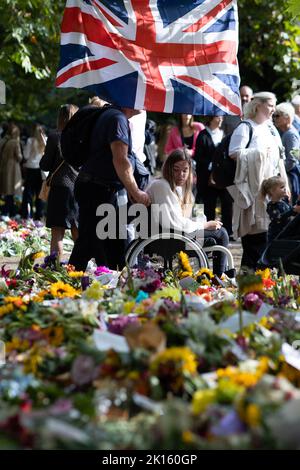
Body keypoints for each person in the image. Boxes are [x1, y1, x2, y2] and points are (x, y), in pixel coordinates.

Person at [69, 106, 150, 271]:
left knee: (111, 245)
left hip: (102, 188)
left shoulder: (114, 116)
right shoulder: (117, 119)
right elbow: (120, 160)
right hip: (97, 190)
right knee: (88, 242)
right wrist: (136, 192)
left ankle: (113, 283)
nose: (144, 102)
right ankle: (66, 285)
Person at [227, 91, 289, 270]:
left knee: (269, 237)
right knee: (254, 240)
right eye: (270, 105)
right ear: (258, 105)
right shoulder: (245, 127)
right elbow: (233, 152)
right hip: (253, 193)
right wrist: (259, 154)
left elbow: (280, 158)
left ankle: (262, 283)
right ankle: (248, 284)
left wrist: (285, 185)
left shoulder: (271, 128)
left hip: (272, 192)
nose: (273, 110)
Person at [146, 149, 229, 277]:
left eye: (185, 170)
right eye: (176, 169)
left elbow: (197, 215)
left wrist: (204, 222)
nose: (181, 174)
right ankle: (218, 277)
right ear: (168, 169)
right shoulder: (161, 186)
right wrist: (205, 226)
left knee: (217, 232)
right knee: (221, 233)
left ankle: (218, 275)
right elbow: (173, 222)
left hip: (178, 235)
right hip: (167, 239)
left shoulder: (184, 190)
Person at [40, 104, 79, 259]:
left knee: (58, 231)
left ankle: (55, 268)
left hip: (59, 187)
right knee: (77, 228)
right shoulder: (82, 137)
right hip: (78, 186)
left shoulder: (55, 136)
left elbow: (45, 165)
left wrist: (46, 153)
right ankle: (82, 266)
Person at [194, 116, 233, 237]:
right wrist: (212, 165)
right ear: (210, 118)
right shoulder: (203, 135)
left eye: (222, 117)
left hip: (223, 177)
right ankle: (208, 231)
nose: (220, 119)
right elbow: (198, 157)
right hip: (207, 178)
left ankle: (227, 231)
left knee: (227, 203)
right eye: (217, 117)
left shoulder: (225, 134)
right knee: (208, 205)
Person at [273, 102, 300, 204]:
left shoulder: (290, 134)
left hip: (291, 174)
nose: (274, 118)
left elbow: (293, 158)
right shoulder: (286, 132)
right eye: (274, 115)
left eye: (277, 115)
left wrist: (281, 172)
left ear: (287, 118)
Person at [260, 176, 300, 242]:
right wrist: (292, 210)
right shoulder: (272, 205)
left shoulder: (284, 202)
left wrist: (297, 207)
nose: (285, 189)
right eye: (282, 187)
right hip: (277, 235)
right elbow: (278, 217)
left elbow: (292, 212)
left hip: (285, 233)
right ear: (272, 191)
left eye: (284, 186)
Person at [21, 124, 47, 220]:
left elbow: (26, 155)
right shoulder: (45, 141)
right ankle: (39, 216)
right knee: (39, 195)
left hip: (31, 169)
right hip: (41, 171)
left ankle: (27, 215)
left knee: (28, 194)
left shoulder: (30, 141)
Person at [0, 124, 22, 216]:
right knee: (13, 190)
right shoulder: (15, 142)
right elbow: (19, 157)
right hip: (13, 168)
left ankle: (6, 211)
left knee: (7, 190)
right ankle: (12, 211)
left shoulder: (3, 140)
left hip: (4, 167)